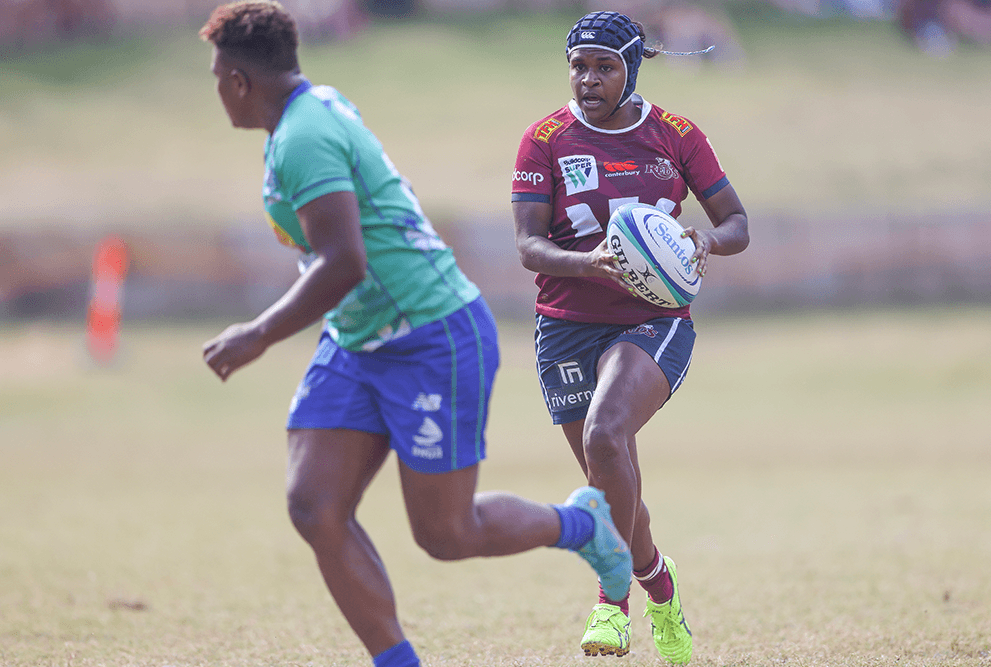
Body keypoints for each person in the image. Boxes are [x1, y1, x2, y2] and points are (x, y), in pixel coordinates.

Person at [197, 3, 634, 667]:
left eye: (214, 74)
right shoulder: (304, 112)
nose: (215, 87)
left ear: (236, 80)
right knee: (314, 504)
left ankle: (583, 524)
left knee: (447, 532)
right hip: (358, 339)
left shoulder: (304, 135)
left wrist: (257, 334)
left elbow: (346, 261)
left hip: (432, 335)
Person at [511, 10, 750, 664]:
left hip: (654, 318)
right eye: (579, 66)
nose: (588, 79)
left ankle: (610, 602)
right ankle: (662, 588)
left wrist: (705, 239)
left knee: (605, 433)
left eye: (604, 66)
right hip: (563, 326)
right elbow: (529, 245)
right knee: (613, 480)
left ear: (631, 68)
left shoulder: (676, 135)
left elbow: (736, 222)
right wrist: (586, 261)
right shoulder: (545, 139)